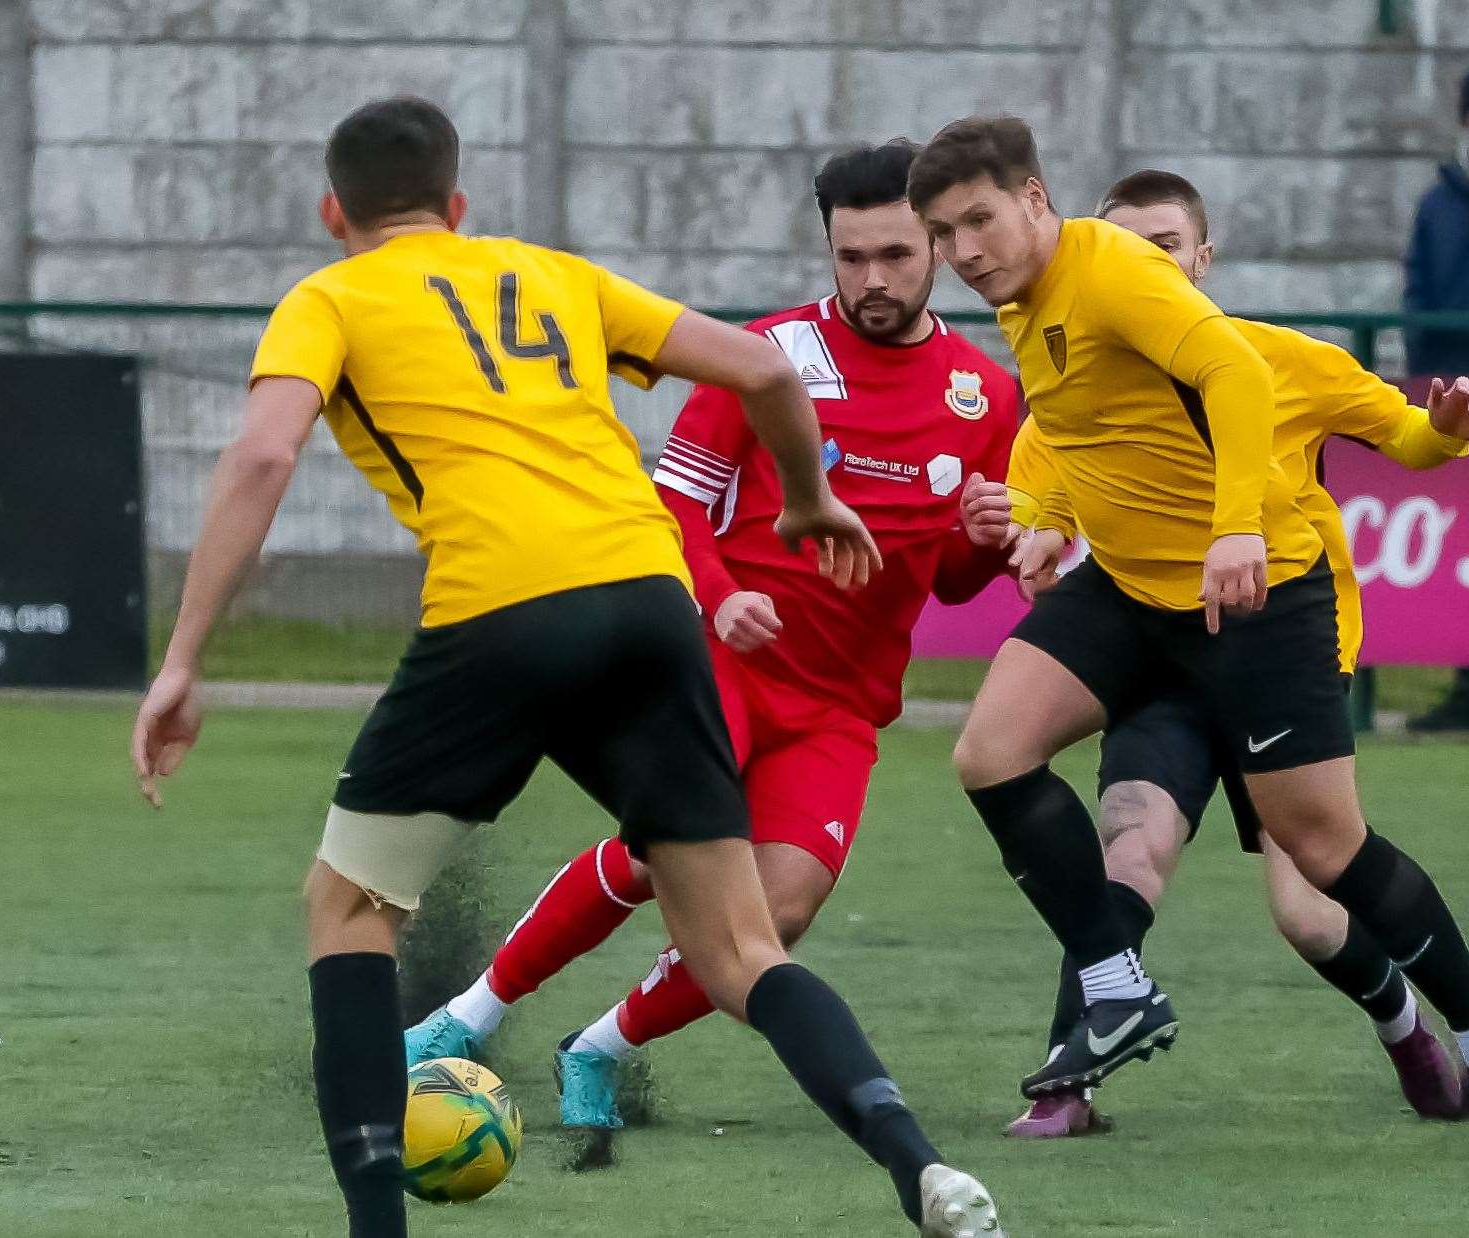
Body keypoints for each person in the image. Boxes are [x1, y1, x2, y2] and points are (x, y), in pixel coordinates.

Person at [129, 98, 999, 1237]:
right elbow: (763, 371)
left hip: (495, 611)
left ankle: (371, 1227)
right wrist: (808, 496)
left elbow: (261, 450)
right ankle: (919, 1165)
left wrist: (183, 658)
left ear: (332, 210)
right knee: (740, 944)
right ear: (459, 205)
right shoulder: (553, 274)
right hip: (649, 601)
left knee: (348, 904)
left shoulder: (326, 296)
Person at [402, 141, 1018, 1148]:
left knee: (780, 911)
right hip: (720, 664)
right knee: (661, 855)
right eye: (851, 254)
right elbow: (675, 504)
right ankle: (464, 1016)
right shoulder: (764, 358)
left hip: (841, 704)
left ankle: (597, 1043)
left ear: (938, 250)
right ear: (827, 246)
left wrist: (986, 546)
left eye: (896, 255)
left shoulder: (983, 398)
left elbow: (944, 575)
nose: (872, 277)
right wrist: (723, 598)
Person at [906, 118, 1469, 1139]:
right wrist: (1040, 529)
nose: (963, 250)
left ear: (1036, 199)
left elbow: (1242, 378)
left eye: (979, 220)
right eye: (944, 233)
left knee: (1326, 857)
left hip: (1257, 601)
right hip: (1137, 596)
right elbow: (1085, 445)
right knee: (992, 753)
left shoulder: (1114, 277)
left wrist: (1234, 531)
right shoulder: (1030, 304)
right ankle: (1116, 988)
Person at [1405, 58, 1469, 733]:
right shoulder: (1438, 203)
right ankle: (1467, 684)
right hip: (1460, 400)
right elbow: (1418, 293)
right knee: (1466, 541)